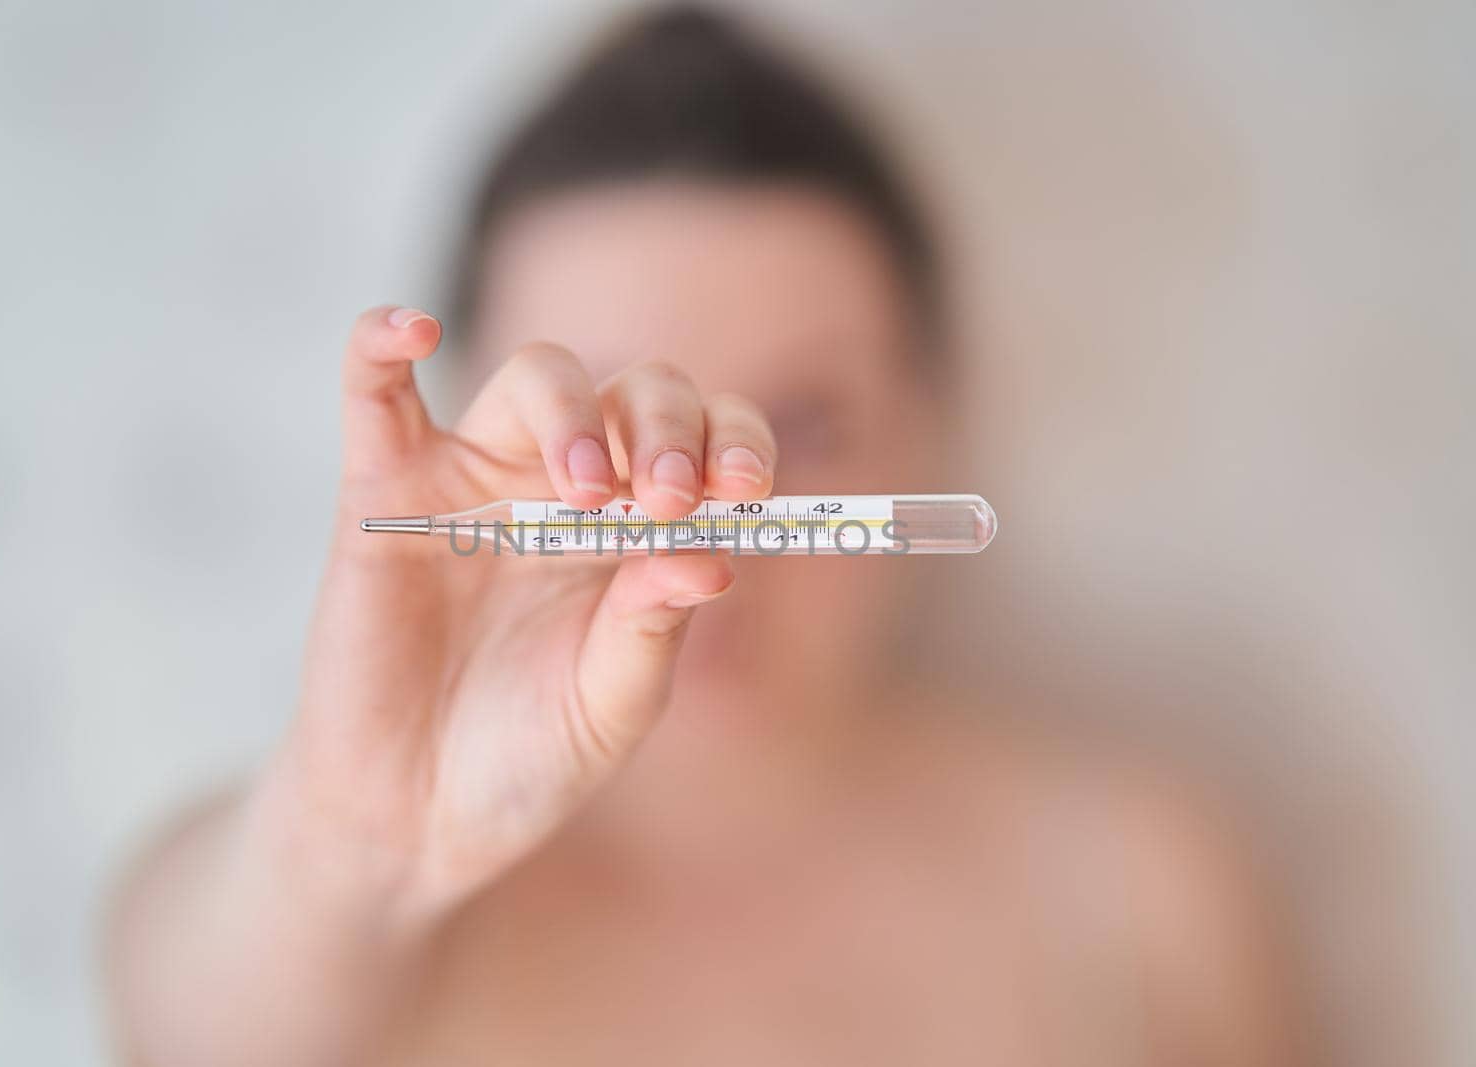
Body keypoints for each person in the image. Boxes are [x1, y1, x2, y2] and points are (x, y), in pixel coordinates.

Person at [108, 8, 1307, 1064]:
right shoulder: (298, 913)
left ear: (933, 425)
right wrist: (349, 848)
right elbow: (196, 1028)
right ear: (472, 421)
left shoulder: (1147, 891)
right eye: (605, 424)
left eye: (809, 422)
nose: (706, 511)